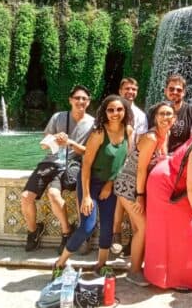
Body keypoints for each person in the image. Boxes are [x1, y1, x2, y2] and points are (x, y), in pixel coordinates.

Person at [144, 106, 192, 291]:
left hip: (180, 184)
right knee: (185, 233)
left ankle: (181, 275)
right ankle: (177, 279)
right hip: (166, 187)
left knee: (186, 233)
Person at [52, 95, 132, 278]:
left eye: (119, 109)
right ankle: (60, 263)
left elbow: (125, 162)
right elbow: (86, 165)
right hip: (90, 183)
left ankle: (101, 264)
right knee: (87, 227)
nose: (115, 113)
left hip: (110, 185)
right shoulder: (99, 133)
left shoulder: (128, 131)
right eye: (110, 110)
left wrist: (110, 184)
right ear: (105, 112)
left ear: (125, 111)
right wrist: (87, 195)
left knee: (107, 225)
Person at [21, 85, 94, 253]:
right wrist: (55, 138)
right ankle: (33, 231)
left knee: (54, 195)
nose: (80, 101)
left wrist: (71, 143)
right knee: (26, 197)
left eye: (84, 99)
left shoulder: (92, 123)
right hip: (49, 163)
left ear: (88, 102)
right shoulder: (58, 117)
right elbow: (44, 146)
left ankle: (67, 231)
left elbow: (90, 152)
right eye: (77, 98)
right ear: (70, 100)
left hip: (69, 165)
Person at [114, 102, 175, 286]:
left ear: (174, 118)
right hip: (129, 186)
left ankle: (142, 265)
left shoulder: (166, 134)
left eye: (169, 114)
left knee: (139, 229)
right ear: (155, 117)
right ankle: (133, 271)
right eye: (162, 114)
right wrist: (140, 196)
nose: (166, 117)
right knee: (143, 228)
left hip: (141, 187)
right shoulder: (151, 137)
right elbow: (141, 169)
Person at [111, 77, 148, 256]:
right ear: (120, 90)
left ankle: (117, 234)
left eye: (134, 89)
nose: (130, 92)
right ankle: (122, 236)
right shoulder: (112, 110)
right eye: (127, 89)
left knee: (124, 195)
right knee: (125, 195)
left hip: (130, 162)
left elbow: (139, 143)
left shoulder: (140, 115)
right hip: (112, 161)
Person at [151, 74, 192, 153]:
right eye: (171, 89)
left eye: (179, 90)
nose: (175, 92)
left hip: (181, 157)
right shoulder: (154, 110)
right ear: (165, 91)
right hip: (158, 156)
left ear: (184, 92)